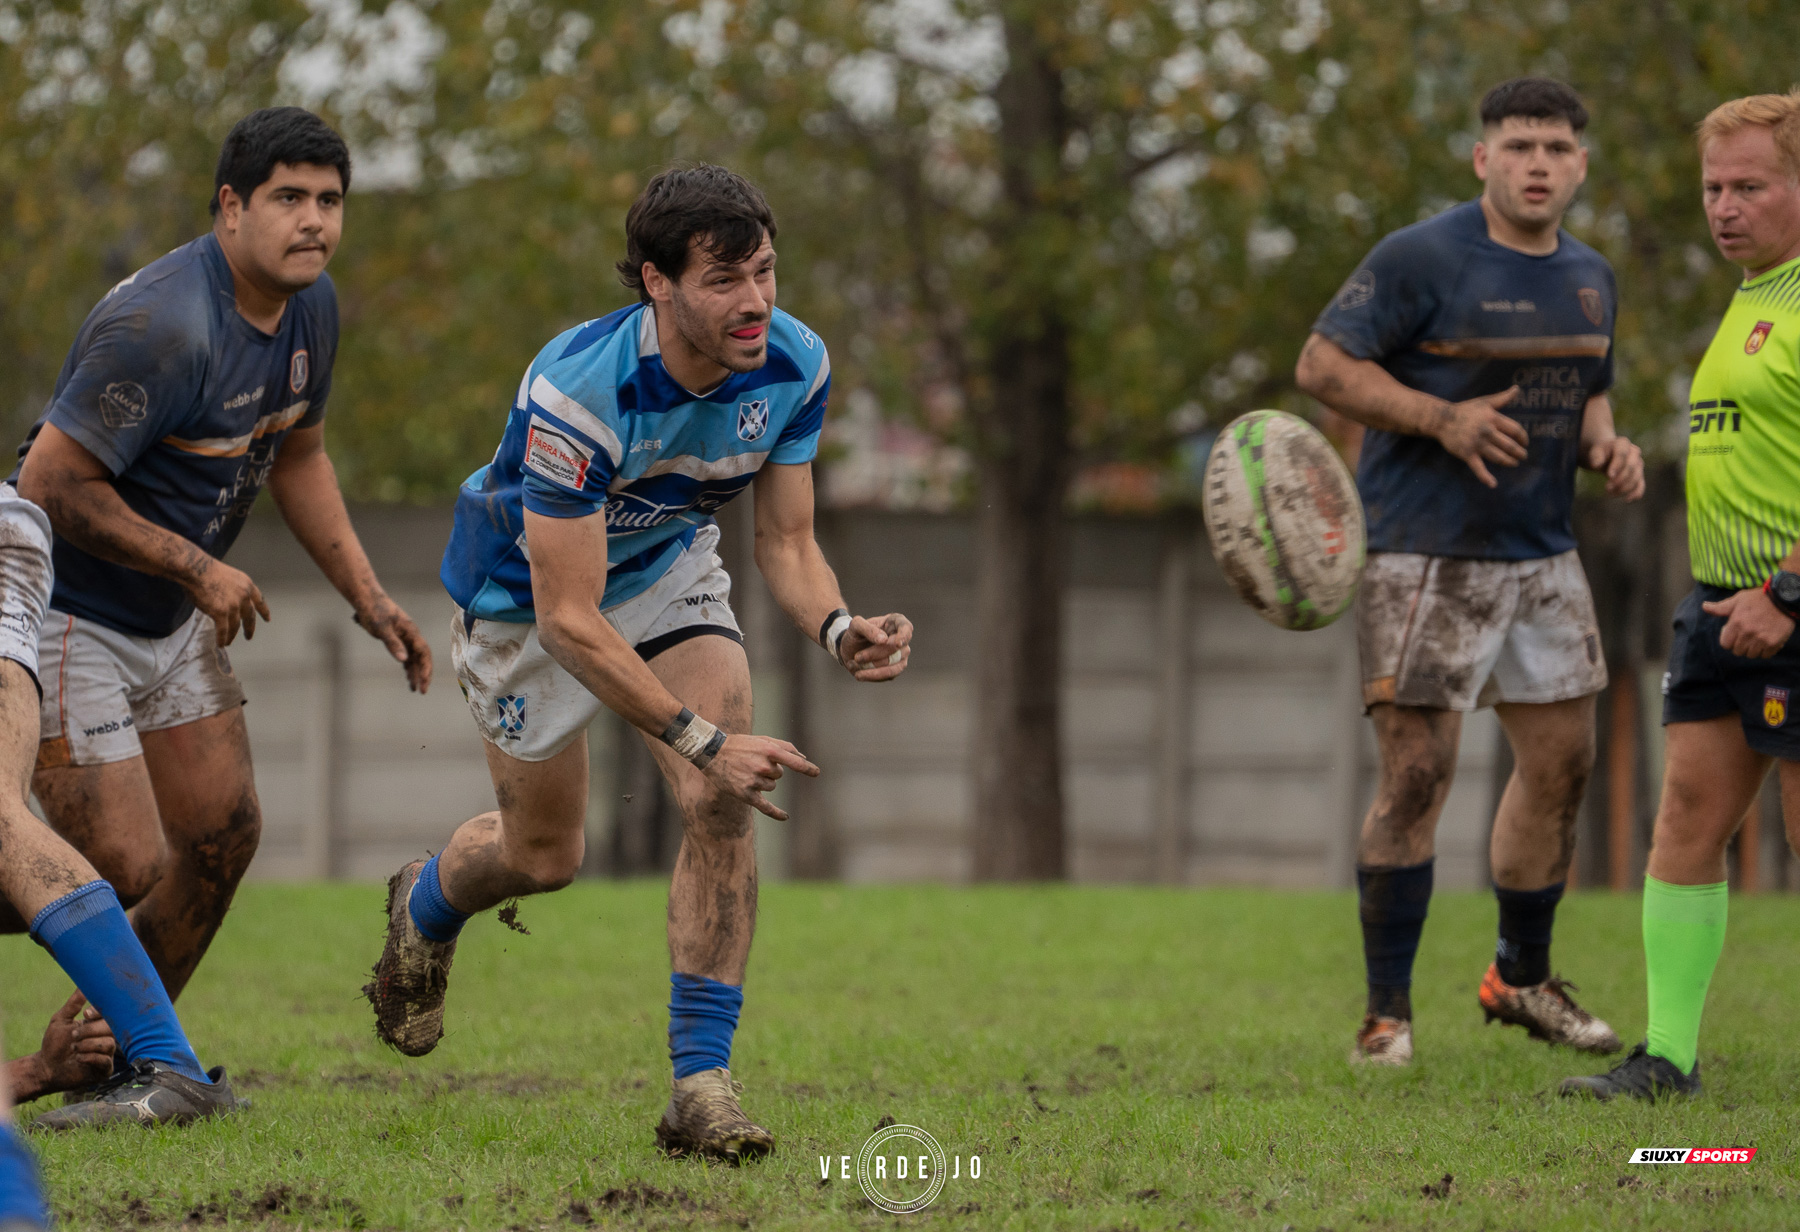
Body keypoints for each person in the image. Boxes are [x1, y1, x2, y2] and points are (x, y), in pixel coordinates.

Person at [365, 165, 911, 1162]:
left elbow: (787, 543)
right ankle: (426, 902)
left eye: (765, 271)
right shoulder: (579, 392)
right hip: (526, 604)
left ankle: (700, 1087)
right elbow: (571, 620)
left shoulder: (794, 363)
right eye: (723, 280)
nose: (754, 301)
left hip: (664, 570)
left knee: (721, 802)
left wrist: (840, 628)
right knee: (544, 857)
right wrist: (702, 739)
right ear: (657, 282)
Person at [12, 107, 432, 1005]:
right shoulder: (164, 326)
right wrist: (198, 568)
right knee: (121, 863)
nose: (313, 221)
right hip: (65, 610)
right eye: (289, 198)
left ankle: (121, 1056)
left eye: (329, 200)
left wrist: (369, 597)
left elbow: (300, 456)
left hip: (167, 615)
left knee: (219, 838)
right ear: (231, 207)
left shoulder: (311, 306)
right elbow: (48, 485)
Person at [1294, 77, 1644, 1066]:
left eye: (1557, 148)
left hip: (1543, 554)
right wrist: (1440, 417)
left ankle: (1520, 978)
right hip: (1421, 553)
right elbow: (1322, 367)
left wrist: (1606, 446)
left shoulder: (1592, 275)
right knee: (1417, 777)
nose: (1539, 164)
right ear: (1483, 158)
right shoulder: (1420, 256)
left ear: (1580, 164)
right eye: (1519, 145)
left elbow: (1587, 392)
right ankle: (1386, 1018)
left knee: (1563, 766)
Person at [1564, 90, 1800, 1101]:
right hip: (1718, 610)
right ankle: (1668, 1060)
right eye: (1713, 187)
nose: (1725, 207)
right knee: (1686, 824)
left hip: (1786, 607)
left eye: (1751, 185)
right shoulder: (1753, 297)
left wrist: (1787, 593)